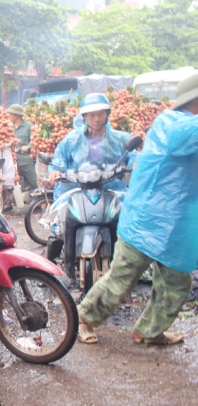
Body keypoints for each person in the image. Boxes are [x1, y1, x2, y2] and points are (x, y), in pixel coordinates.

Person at [76, 73, 198, 345]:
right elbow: (184, 137)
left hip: (176, 230)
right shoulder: (171, 123)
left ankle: (148, 331)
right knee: (121, 280)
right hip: (147, 222)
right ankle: (84, 318)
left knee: (176, 286)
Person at [46, 93, 138, 263]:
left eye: (101, 114)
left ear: (107, 114)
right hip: (77, 188)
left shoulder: (120, 138)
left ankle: (133, 264)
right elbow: (58, 159)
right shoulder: (72, 139)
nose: (97, 119)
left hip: (112, 190)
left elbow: (132, 155)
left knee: (132, 223)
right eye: (92, 115)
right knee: (60, 225)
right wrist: (55, 171)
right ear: (84, 117)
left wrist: (135, 163)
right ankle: (50, 268)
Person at [6, 104, 38, 191]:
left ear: (16, 115)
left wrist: (28, 146)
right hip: (12, 158)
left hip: (25, 158)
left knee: (34, 181)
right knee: (10, 181)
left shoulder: (28, 126)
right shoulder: (9, 127)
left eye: (10, 114)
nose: (8, 116)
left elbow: (35, 139)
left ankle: (42, 200)